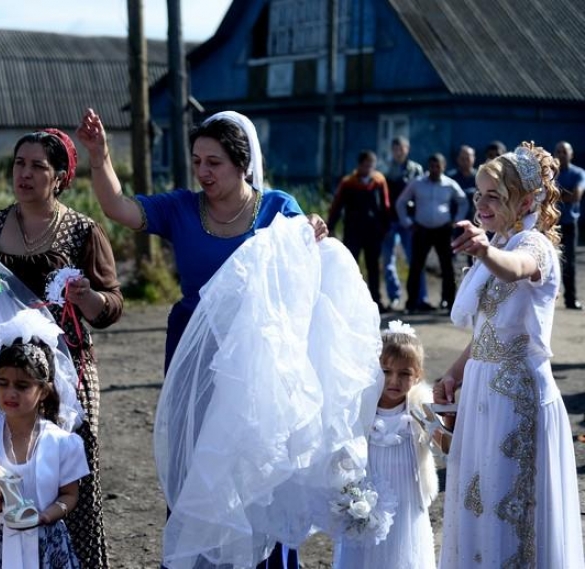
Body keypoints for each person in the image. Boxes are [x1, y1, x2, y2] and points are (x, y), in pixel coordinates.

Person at [77, 108, 332, 568]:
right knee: (198, 457)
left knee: (257, 459)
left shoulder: (277, 207)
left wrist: (311, 229)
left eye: (213, 162)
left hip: (258, 359)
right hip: (195, 349)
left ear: (243, 163)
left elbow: (304, 271)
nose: (202, 171)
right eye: (197, 160)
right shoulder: (181, 208)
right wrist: (99, 157)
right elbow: (118, 207)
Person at [0, 128, 123, 568]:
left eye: (37, 166)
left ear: (59, 177)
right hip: (4, 372)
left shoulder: (82, 231)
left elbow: (112, 305)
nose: (24, 174)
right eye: (19, 163)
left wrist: (87, 298)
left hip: (67, 373)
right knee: (5, 470)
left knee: (68, 471)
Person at [437, 142, 585, 567]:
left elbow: (518, 267)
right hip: (483, 392)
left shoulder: (532, 244)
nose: (481, 203)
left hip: (515, 397)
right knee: (477, 502)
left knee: (510, 509)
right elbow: (489, 329)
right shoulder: (499, 242)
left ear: (523, 202)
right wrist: (454, 371)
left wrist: (484, 250)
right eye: (478, 194)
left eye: (493, 196)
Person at [0, 312, 89, 568]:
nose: (10, 393)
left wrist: (45, 516)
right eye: (3, 383)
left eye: (22, 386)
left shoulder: (63, 443)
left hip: (46, 541)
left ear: (43, 391)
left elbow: (69, 495)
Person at [333, 320, 438, 569]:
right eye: (386, 371)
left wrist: (442, 422)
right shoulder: (362, 408)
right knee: (365, 552)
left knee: (402, 550)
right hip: (369, 493)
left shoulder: (420, 409)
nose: (394, 381)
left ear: (418, 375)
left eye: (404, 374)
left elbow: (445, 444)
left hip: (407, 498)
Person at [396, 153, 467, 312]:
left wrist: (456, 220)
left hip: (443, 230)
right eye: (432, 166)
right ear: (428, 167)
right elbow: (401, 202)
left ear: (443, 166)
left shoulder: (450, 184)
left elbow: (463, 202)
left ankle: (448, 302)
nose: (435, 169)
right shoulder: (417, 183)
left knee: (447, 267)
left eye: (438, 166)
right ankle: (411, 303)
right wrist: (407, 222)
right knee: (416, 267)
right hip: (422, 229)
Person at [327, 150, 390, 309]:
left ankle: (376, 300)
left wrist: (385, 227)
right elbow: (337, 206)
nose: (369, 167)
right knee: (350, 265)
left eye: (371, 164)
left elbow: (385, 206)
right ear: (360, 165)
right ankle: (348, 300)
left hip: (373, 232)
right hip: (353, 231)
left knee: (373, 267)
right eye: (366, 164)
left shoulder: (379, 181)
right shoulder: (348, 182)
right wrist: (331, 226)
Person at [383, 136, 426, 311]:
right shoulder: (385, 169)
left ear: (407, 149)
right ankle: (394, 297)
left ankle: (420, 298)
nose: (398, 152)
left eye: (401, 148)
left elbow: (421, 195)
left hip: (409, 221)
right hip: (389, 220)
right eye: (395, 149)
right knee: (388, 261)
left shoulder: (416, 170)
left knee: (415, 261)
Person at [553, 141, 585, 309]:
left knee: (569, 263)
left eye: (564, 151)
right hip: (551, 224)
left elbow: (576, 196)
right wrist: (565, 193)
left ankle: (571, 299)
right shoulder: (550, 174)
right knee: (548, 262)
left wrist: (555, 196)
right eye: (558, 151)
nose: (561, 154)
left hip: (569, 224)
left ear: (571, 154)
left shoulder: (579, 173)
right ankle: (548, 298)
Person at [448, 145, 479, 267]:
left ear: (474, 159)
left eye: (468, 158)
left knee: (474, 259)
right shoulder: (451, 177)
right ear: (458, 159)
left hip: (475, 223)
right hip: (454, 223)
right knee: (450, 256)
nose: (465, 161)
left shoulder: (479, 177)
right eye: (462, 158)